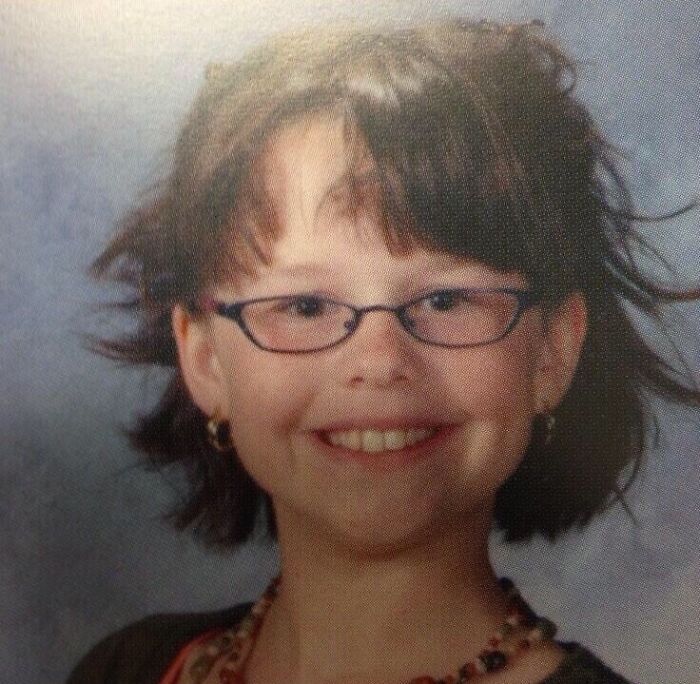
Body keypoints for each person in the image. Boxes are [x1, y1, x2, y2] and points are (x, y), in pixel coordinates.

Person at [67, 17, 700, 684]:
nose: (379, 362)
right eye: (305, 306)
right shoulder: (127, 669)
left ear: (553, 352)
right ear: (204, 359)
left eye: (446, 300)